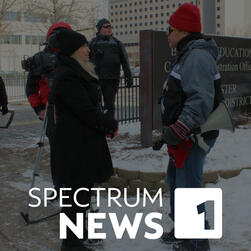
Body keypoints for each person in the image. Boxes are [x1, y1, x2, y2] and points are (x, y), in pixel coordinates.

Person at [157, 3, 224, 251]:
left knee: (188, 189)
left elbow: (200, 99)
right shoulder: (188, 54)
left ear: (184, 31)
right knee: (176, 180)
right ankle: (184, 232)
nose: (167, 33)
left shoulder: (196, 57)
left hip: (193, 136)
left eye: (171, 28)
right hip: (185, 136)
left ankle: (196, 244)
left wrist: (179, 128)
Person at [50, 29, 118, 251]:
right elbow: (85, 109)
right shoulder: (68, 75)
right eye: (84, 46)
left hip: (83, 144)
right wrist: (108, 122)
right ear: (73, 51)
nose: (89, 49)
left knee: (80, 195)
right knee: (75, 196)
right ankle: (71, 245)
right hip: (74, 147)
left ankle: (74, 242)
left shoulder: (75, 71)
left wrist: (104, 123)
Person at [25, 22, 72, 197]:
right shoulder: (39, 60)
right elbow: (30, 88)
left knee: (75, 150)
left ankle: (76, 187)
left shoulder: (77, 57)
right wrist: (38, 109)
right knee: (57, 152)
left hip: (74, 112)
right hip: (51, 112)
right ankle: (59, 187)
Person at [89, 18, 133, 118]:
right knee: (96, 104)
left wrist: (128, 76)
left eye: (110, 26)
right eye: (106, 26)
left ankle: (110, 128)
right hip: (96, 79)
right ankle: (98, 127)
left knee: (109, 105)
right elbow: (86, 60)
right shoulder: (92, 43)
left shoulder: (117, 43)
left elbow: (125, 61)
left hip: (112, 79)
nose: (109, 28)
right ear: (100, 29)